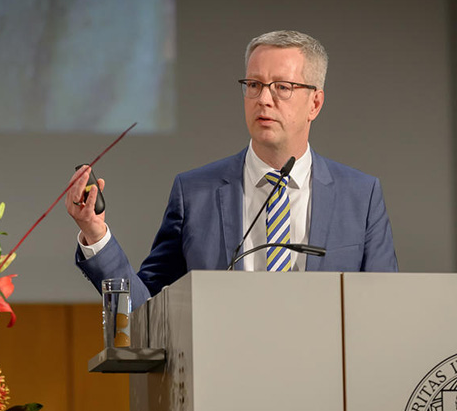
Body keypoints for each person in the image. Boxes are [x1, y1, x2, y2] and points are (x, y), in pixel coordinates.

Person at [66, 30, 397, 308]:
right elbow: (144, 308)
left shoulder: (361, 197)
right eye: (253, 85)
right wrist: (96, 235)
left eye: (282, 87)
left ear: (315, 103)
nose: (264, 99)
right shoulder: (195, 194)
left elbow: (385, 308)